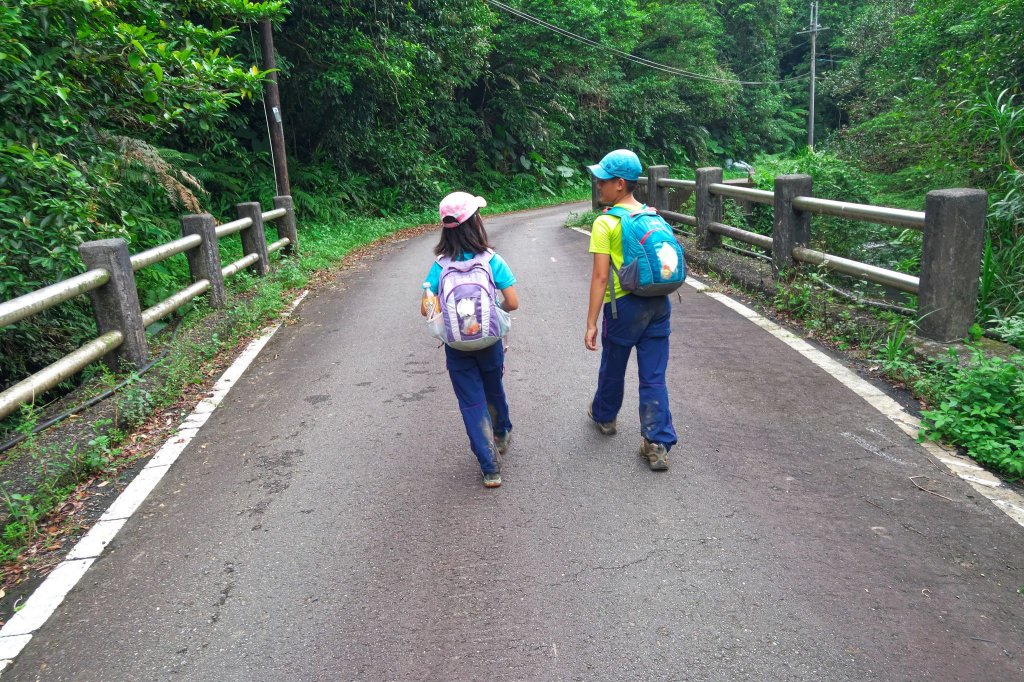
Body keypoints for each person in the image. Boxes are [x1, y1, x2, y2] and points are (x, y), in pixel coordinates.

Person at [584, 149, 677, 471]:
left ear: (620, 184)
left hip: (623, 308)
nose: (598, 185)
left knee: (613, 366)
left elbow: (599, 277)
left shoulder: (606, 222)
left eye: (603, 181)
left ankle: (605, 416)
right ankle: (656, 443)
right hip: (659, 304)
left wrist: (591, 323)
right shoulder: (654, 216)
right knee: (654, 376)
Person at [422, 191, 519, 488]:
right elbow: (513, 302)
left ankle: (489, 466)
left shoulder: (439, 266)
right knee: (494, 388)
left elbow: (426, 306)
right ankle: (501, 432)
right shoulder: (491, 260)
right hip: (489, 342)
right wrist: (490, 312)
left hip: (457, 347)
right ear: (476, 222)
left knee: (471, 403)